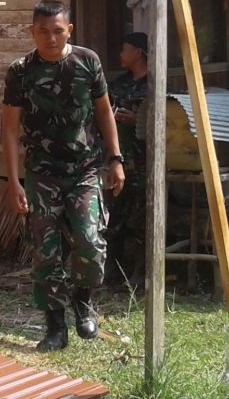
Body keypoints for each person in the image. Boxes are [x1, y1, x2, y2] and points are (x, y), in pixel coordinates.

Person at [1, 0, 126, 352]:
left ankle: (83, 302)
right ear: (32, 32)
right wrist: (14, 182)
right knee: (46, 252)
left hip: (85, 170)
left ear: (69, 30)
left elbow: (104, 113)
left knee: (89, 242)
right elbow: (9, 130)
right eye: (43, 32)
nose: (51, 39)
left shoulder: (88, 62)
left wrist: (115, 158)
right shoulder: (21, 71)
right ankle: (55, 327)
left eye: (58, 31)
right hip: (41, 173)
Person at [105, 32, 149, 285]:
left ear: (138, 53)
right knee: (115, 217)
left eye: (125, 49)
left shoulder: (154, 85)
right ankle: (112, 272)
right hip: (119, 161)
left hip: (144, 163)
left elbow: (166, 120)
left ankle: (140, 275)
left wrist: (137, 120)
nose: (121, 55)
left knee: (142, 218)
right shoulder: (118, 85)